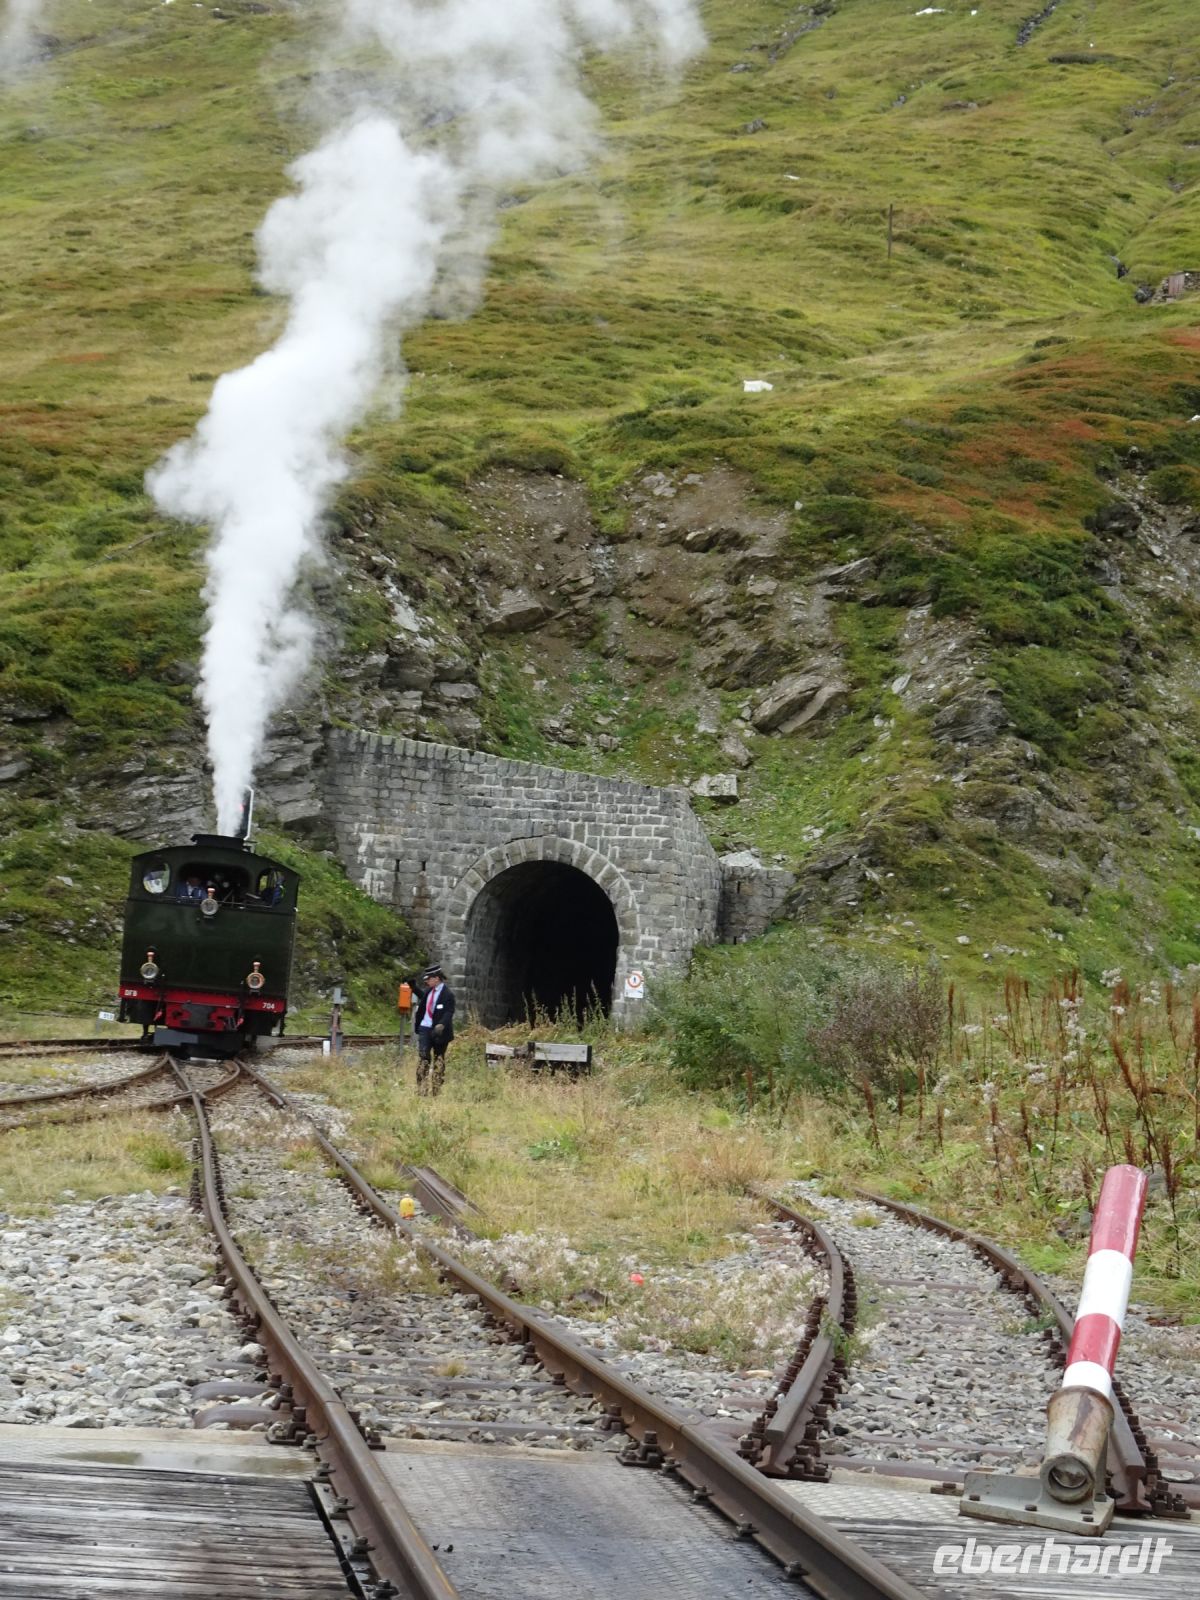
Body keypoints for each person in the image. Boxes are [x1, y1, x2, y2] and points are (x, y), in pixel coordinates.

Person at [412, 964, 455, 1096]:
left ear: (436, 979)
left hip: (439, 1032)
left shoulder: (447, 994)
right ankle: (421, 1089)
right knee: (424, 1056)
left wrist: (441, 1025)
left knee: (438, 1059)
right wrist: (412, 986)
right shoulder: (428, 992)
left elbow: (449, 1012)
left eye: (429, 978)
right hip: (425, 1027)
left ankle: (436, 1090)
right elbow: (422, 996)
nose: (426, 981)